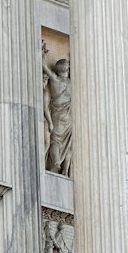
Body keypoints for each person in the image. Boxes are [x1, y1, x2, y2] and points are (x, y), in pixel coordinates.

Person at [42, 43, 72, 176]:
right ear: (67, 70)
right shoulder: (72, 83)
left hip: (57, 116)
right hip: (69, 117)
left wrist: (42, 53)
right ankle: (65, 169)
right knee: (68, 143)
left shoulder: (55, 81)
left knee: (56, 140)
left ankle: (55, 163)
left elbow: (44, 66)